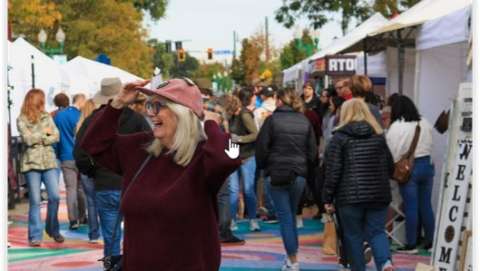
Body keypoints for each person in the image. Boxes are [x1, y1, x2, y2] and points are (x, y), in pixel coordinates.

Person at [80, 78, 241, 270]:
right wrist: (118, 104)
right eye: (150, 105)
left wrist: (211, 124)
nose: (150, 112)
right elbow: (92, 144)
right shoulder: (142, 149)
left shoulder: (202, 155)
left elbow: (231, 156)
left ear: (182, 113)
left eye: (159, 106)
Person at [74, 77, 152, 259]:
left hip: (105, 184)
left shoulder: (93, 120)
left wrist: (95, 170)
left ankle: (112, 265)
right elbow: (150, 149)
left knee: (111, 238)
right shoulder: (137, 119)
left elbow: (80, 154)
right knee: (137, 237)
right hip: (131, 184)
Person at [322, 98, 394, 271]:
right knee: (377, 232)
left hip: (349, 196)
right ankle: (385, 262)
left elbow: (333, 171)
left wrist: (327, 197)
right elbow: (389, 166)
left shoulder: (338, 139)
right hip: (378, 195)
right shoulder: (378, 136)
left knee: (353, 236)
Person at [256, 88, 317, 271]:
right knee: (290, 215)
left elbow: (262, 149)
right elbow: (312, 152)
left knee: (285, 218)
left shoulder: (272, 121)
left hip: (276, 174)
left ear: (280, 101)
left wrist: (265, 168)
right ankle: (292, 256)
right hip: (298, 174)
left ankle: (293, 258)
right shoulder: (304, 121)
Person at [386, 95, 435, 254]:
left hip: (409, 168)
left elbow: (392, 151)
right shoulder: (424, 122)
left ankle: (411, 244)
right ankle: (430, 242)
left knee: (411, 206)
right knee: (426, 205)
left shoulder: (397, 126)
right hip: (427, 165)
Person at [17, 88, 64, 247]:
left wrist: (40, 136)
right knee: (35, 200)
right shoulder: (22, 118)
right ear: (35, 100)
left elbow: (56, 136)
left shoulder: (47, 117)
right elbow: (28, 139)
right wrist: (44, 134)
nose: (44, 103)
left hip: (49, 161)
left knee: (55, 197)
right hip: (31, 164)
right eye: (42, 99)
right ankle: (35, 236)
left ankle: (52, 228)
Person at [228, 87, 260, 232]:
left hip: (247, 156)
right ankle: (232, 220)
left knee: (248, 189)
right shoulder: (231, 116)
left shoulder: (245, 115)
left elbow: (255, 134)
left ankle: (253, 219)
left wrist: (239, 138)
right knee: (233, 190)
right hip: (233, 155)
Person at [54, 93, 87, 230]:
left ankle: (73, 220)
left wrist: (58, 154)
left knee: (71, 189)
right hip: (81, 156)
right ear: (81, 101)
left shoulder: (58, 116)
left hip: (66, 156)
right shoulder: (80, 115)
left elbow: (55, 137)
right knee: (81, 189)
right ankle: (83, 216)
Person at [74, 99, 101, 243]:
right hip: (100, 168)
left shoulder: (79, 127)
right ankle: (107, 230)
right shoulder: (99, 125)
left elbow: (77, 151)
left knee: (91, 202)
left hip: (85, 168)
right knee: (104, 200)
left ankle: (93, 234)